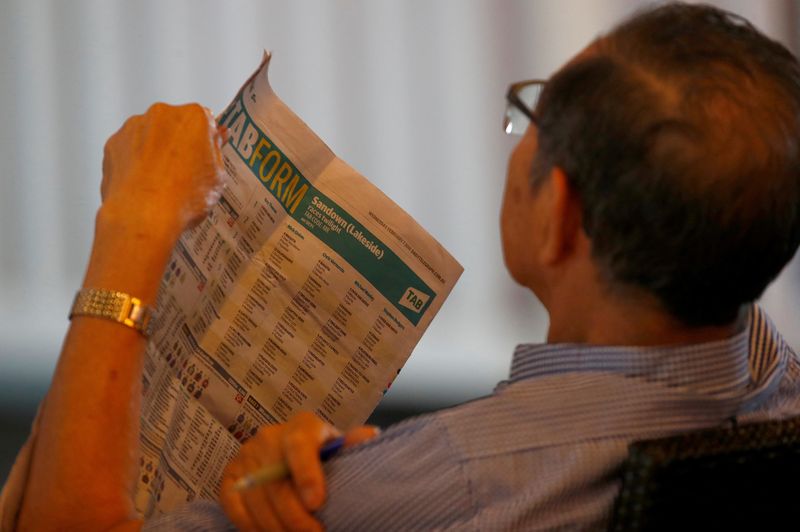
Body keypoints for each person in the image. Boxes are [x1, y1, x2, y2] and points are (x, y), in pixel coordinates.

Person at [2, 2, 800, 531]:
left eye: (535, 115)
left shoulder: (456, 482)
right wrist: (373, 468)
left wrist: (133, 226)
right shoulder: (782, 390)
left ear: (559, 217)